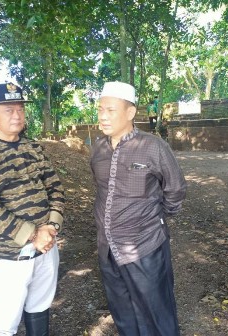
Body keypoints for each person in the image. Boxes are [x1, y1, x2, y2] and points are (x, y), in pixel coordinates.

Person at [0, 82, 65, 336]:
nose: (17, 114)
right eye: (8, 109)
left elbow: (55, 188)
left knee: (39, 309)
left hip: (44, 250)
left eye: (20, 108)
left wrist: (51, 227)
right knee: (2, 326)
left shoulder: (33, 148)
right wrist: (33, 234)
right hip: (5, 258)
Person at [90, 81, 187, 336]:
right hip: (108, 248)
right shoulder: (98, 148)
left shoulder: (153, 146)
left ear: (130, 113)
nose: (102, 116)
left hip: (145, 246)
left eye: (110, 110)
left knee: (157, 315)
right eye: (100, 109)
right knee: (123, 313)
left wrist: (154, 218)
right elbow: (102, 189)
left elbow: (175, 189)